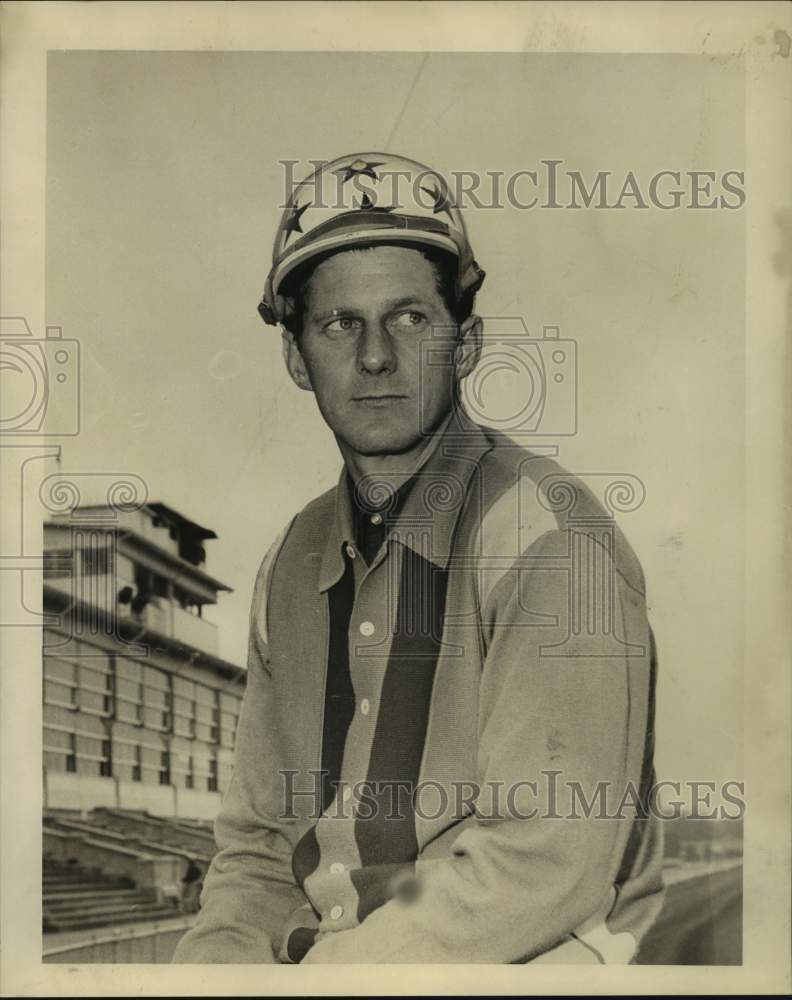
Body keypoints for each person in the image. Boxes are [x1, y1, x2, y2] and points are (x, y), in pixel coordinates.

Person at [173, 152, 664, 965]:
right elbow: (259, 852)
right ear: (297, 359)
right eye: (338, 323)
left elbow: (544, 864)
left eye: (409, 318)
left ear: (464, 344)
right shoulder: (291, 561)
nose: (374, 357)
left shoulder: (548, 535)